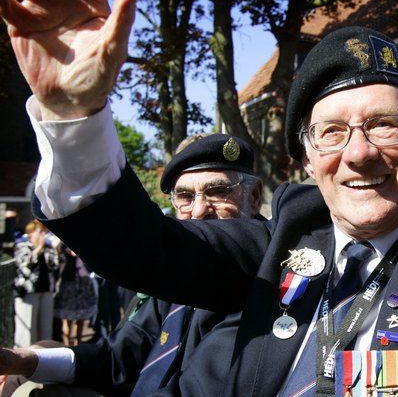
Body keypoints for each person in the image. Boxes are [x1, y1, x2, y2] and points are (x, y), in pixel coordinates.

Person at [0, 0, 398, 395]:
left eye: (385, 126)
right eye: (332, 133)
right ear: (307, 159)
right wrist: (74, 117)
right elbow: (141, 248)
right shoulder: (280, 238)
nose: (359, 154)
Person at [0, 133, 263, 397]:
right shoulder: (171, 273)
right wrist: (26, 361)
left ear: (253, 197)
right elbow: (120, 357)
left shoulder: (265, 278)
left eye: (217, 192)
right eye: (184, 196)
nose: (197, 210)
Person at [13, 221, 59, 348]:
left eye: (43, 232)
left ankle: (44, 356)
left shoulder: (48, 247)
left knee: (45, 327)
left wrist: (49, 249)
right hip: (28, 292)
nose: (42, 234)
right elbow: (23, 264)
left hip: (46, 290)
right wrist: (38, 249)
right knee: (27, 328)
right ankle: (23, 359)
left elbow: (54, 265)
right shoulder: (22, 245)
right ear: (30, 232)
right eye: (39, 231)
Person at [53, 244, 98, 346]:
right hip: (69, 284)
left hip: (83, 283)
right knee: (67, 317)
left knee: (81, 316)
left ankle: (79, 343)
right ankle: (67, 344)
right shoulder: (62, 247)